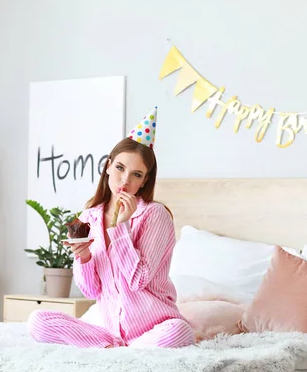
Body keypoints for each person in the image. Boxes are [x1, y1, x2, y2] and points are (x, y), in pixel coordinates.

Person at [27, 106, 195, 349]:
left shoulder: (155, 215)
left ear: (144, 180)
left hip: (156, 329)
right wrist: (83, 257)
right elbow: (92, 291)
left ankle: (118, 353)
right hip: (110, 332)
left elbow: (138, 280)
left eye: (136, 174)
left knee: (179, 332)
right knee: (37, 321)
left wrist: (121, 226)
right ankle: (118, 350)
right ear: (107, 166)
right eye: (120, 168)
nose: (125, 180)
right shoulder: (89, 217)